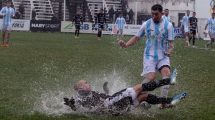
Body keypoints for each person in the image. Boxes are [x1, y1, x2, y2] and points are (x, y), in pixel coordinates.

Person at [117, 4, 175, 109]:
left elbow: (171, 44)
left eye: (156, 14)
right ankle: (137, 95)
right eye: (152, 14)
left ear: (161, 13)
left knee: (167, 75)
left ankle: (163, 102)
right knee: (151, 78)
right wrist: (126, 44)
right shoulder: (147, 24)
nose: (154, 16)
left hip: (163, 56)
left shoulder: (169, 25)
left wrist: (170, 50)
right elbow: (136, 37)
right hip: (149, 56)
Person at [64, 70, 187, 114]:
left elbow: (103, 97)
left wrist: (106, 91)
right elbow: (80, 107)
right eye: (85, 83)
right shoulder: (80, 97)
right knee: (136, 88)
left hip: (115, 108)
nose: (88, 83)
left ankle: (171, 100)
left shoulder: (90, 93)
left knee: (143, 96)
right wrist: (72, 105)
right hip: (110, 106)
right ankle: (168, 81)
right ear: (80, 88)